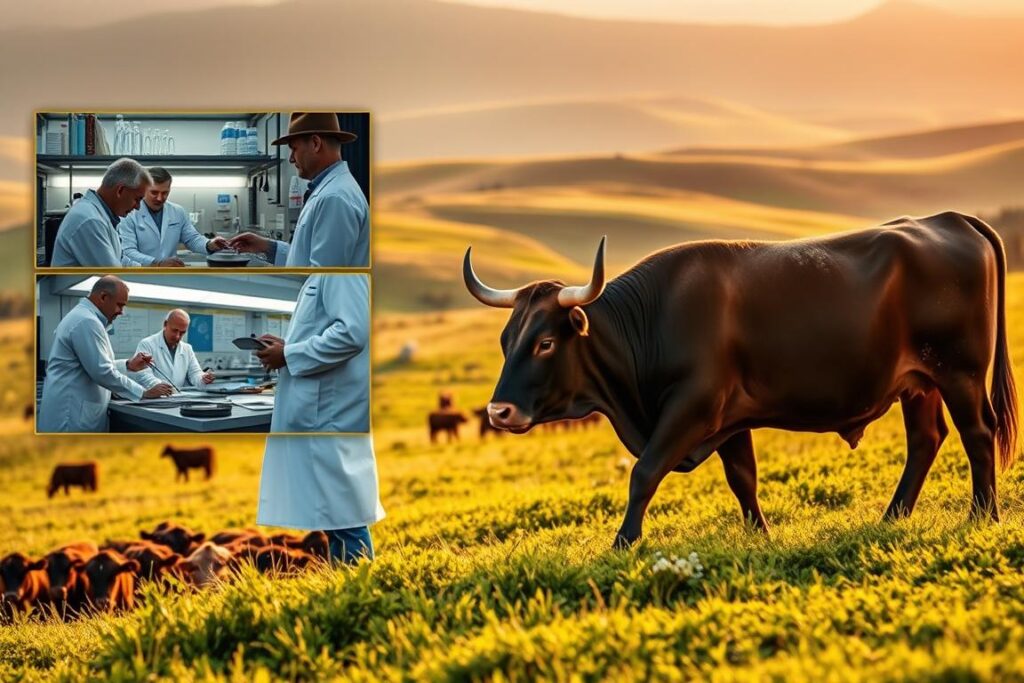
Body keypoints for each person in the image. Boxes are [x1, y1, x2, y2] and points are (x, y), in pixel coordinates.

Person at [253, 274, 381, 564]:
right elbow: (332, 330)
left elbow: (352, 334)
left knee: (344, 516)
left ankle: (358, 593)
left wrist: (288, 353)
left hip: (329, 415)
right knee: (335, 514)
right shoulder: (326, 271)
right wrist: (288, 346)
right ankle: (347, 588)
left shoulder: (341, 272)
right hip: (322, 414)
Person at [229, 113, 369, 267]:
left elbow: (321, 277)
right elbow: (306, 259)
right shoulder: (328, 190)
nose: (291, 158)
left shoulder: (334, 197)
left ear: (316, 143)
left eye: (294, 149)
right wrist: (266, 246)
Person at [38, 276, 173, 433]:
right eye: (119, 305)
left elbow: (91, 365)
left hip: (74, 412)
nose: (121, 312)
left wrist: (128, 365)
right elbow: (102, 372)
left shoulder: (83, 317)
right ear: (103, 297)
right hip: (71, 417)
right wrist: (143, 393)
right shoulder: (86, 321)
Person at [118, 167, 230, 267]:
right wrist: (157, 263)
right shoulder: (129, 213)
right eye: (154, 193)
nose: (159, 198)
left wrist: (210, 244)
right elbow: (128, 251)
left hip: (171, 274)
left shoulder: (177, 211)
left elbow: (192, 239)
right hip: (141, 275)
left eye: (165, 193)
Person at [50, 158, 151, 267]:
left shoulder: (102, 215)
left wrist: (152, 271)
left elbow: (121, 261)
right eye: (137, 199)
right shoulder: (90, 220)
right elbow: (113, 275)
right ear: (120, 190)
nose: (138, 207)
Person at [131, 309, 215, 390]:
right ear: (165, 324)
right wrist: (158, 385)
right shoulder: (147, 344)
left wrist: (203, 378)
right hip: (154, 399)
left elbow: (195, 373)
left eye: (182, 333)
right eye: (174, 330)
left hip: (178, 399)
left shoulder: (187, 349)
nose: (177, 336)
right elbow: (142, 374)